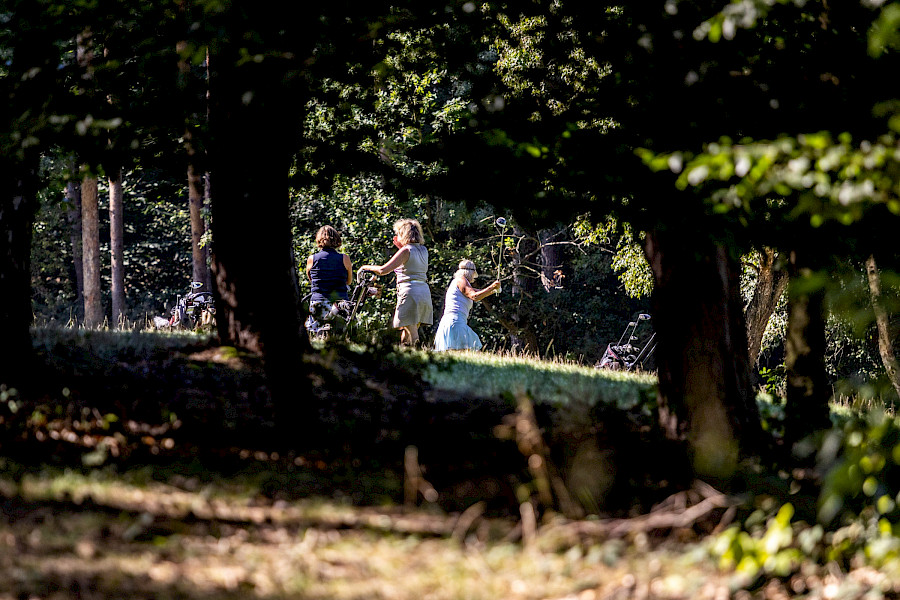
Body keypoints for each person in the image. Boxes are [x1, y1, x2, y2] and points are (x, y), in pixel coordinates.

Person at [359, 218, 433, 347]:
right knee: (408, 326)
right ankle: (405, 352)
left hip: (410, 292)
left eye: (398, 233)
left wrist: (365, 267)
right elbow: (409, 265)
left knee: (411, 328)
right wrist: (400, 247)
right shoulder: (423, 250)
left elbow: (383, 270)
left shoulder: (405, 251)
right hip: (423, 292)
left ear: (403, 234)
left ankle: (418, 353)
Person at [433, 259, 500, 351]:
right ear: (470, 272)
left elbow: (478, 292)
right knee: (463, 351)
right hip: (455, 321)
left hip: (454, 321)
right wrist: (492, 287)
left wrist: (494, 290)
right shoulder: (461, 280)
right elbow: (475, 296)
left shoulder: (462, 282)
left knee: (458, 353)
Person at [305, 225, 353, 333]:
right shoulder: (345, 258)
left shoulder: (312, 259)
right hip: (340, 304)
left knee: (316, 336)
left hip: (318, 303)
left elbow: (311, 279)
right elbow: (349, 281)